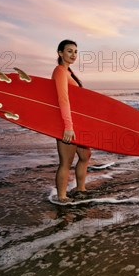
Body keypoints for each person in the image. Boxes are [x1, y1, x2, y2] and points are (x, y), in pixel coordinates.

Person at [52, 39, 91, 202]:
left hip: (77, 123)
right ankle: (61, 197)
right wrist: (68, 127)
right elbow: (63, 99)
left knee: (85, 156)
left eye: (75, 51)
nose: (73, 54)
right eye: (69, 51)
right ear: (60, 53)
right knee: (66, 162)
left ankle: (80, 188)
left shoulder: (69, 72)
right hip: (66, 124)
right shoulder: (60, 71)